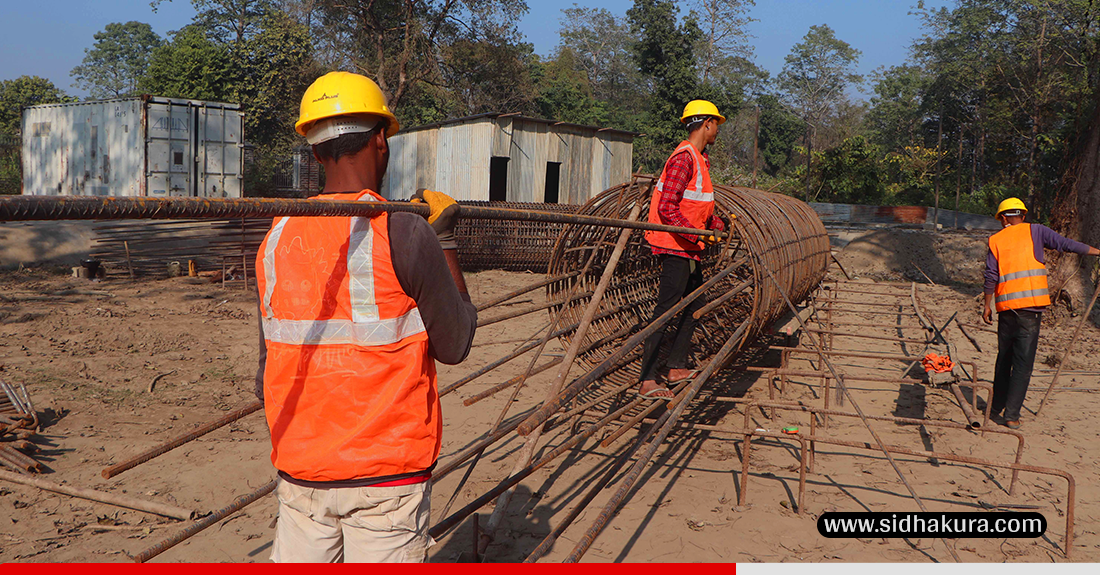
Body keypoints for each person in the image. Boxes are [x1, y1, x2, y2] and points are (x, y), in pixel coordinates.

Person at [253, 71, 477, 562]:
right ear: (381, 139)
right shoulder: (403, 230)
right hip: (386, 480)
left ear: (314, 151)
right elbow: (457, 343)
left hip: (302, 475)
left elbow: (266, 370)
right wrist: (446, 240)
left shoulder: (276, 237)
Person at [636, 100, 728, 400]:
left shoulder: (700, 159)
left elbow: (694, 204)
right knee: (666, 310)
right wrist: (694, 234)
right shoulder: (684, 158)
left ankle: (676, 366)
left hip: (688, 245)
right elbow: (667, 206)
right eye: (716, 124)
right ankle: (648, 379)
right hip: (676, 245)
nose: (717, 130)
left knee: (694, 304)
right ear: (707, 124)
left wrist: (713, 222)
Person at [982, 197, 1098, 429]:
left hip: (1006, 308)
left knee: (1004, 359)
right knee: (1023, 363)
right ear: (1022, 215)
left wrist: (987, 305)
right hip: (1030, 309)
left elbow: (991, 275)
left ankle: (995, 407)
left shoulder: (995, 239)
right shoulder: (1037, 231)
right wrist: (1097, 251)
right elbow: (1067, 244)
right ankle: (1011, 415)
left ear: (1003, 218)